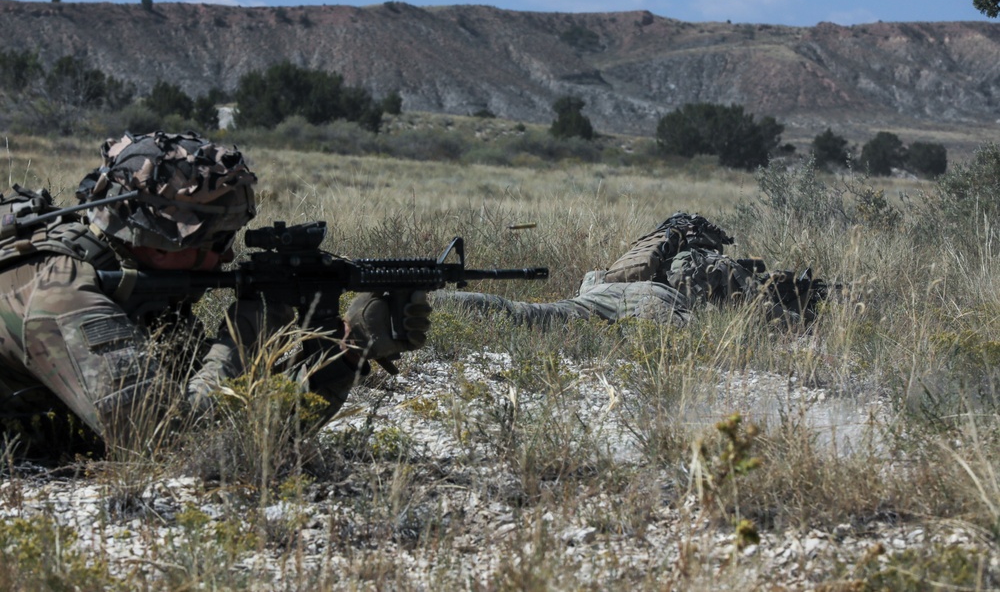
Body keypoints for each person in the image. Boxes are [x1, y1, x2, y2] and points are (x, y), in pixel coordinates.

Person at [0, 130, 431, 451]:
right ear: (158, 237)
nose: (224, 259)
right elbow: (167, 445)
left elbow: (244, 433)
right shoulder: (61, 295)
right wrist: (244, 336)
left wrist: (348, 350)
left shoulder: (139, 290)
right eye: (214, 242)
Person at [440, 212, 826, 327]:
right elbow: (765, 312)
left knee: (529, 314)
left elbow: (593, 279)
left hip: (596, 293)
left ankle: (440, 301)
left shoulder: (640, 256)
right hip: (654, 303)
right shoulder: (709, 261)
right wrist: (802, 319)